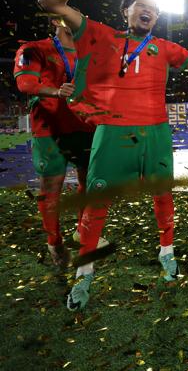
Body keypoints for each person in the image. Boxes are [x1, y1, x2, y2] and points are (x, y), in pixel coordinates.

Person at [37, 0, 188, 311]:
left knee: (162, 195)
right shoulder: (100, 35)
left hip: (155, 132)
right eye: (142, 5)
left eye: (155, 9)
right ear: (125, 10)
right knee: (97, 203)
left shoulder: (165, 47)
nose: (150, 11)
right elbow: (49, 2)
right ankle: (85, 274)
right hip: (113, 133)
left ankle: (167, 252)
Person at [13, 17, 95, 268]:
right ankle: (54, 241)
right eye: (67, 12)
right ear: (54, 19)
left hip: (85, 126)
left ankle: (83, 235)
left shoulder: (90, 53)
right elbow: (25, 82)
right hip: (49, 127)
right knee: (52, 187)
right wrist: (56, 90)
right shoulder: (33, 48)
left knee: (88, 184)